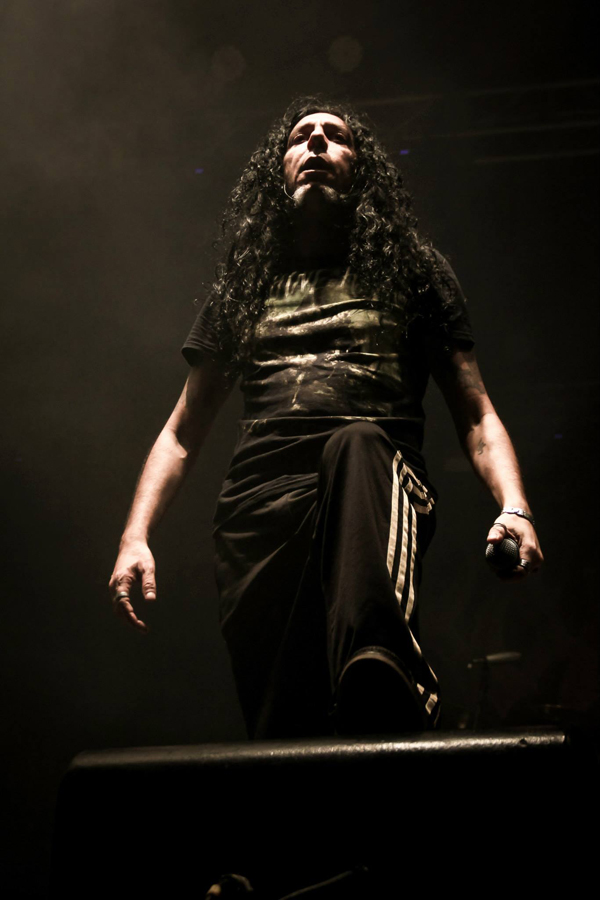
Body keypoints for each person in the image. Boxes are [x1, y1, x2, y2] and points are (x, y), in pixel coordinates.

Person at [109, 96, 543, 739]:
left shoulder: (412, 269)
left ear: (361, 169)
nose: (314, 142)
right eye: (300, 136)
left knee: (356, 444)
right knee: (284, 733)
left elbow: (476, 415)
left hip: (376, 486)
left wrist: (515, 507)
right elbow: (181, 431)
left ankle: (386, 663)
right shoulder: (247, 283)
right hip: (260, 511)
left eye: (335, 135)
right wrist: (135, 536)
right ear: (278, 168)